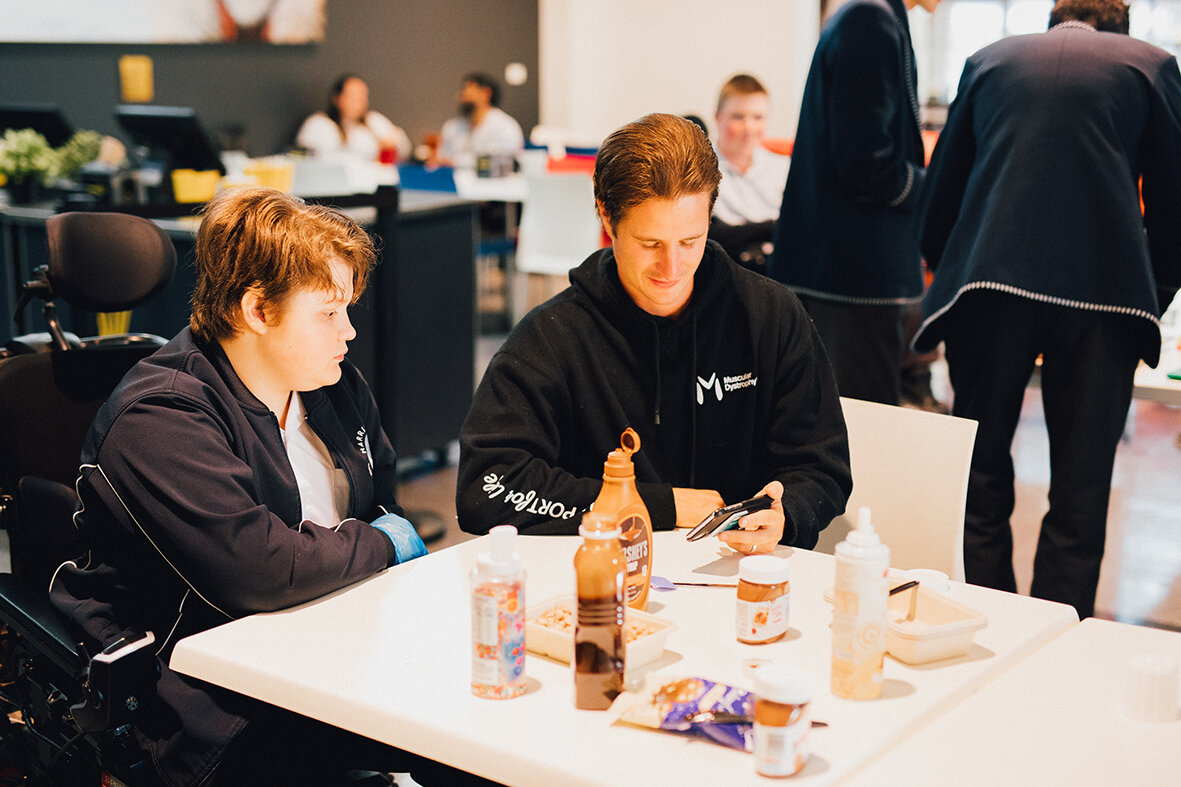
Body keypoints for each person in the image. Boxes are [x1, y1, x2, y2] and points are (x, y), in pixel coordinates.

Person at [47, 188, 453, 785]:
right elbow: (262, 569)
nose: (348, 332)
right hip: (206, 699)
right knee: (448, 737)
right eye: (328, 313)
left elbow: (377, 502)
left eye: (347, 309)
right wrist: (384, 544)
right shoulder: (160, 416)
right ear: (257, 310)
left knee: (480, 708)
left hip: (331, 647)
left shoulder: (332, 385)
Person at [456, 113, 851, 552]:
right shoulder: (551, 339)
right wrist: (655, 506)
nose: (672, 268)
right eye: (650, 244)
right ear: (607, 218)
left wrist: (787, 512)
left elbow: (821, 467)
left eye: (690, 241)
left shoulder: (770, 316)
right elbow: (485, 489)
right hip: (602, 578)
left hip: (741, 574)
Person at [914, 0, 1181, 618]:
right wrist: (1151, 297)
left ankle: (988, 623)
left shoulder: (989, 60)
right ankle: (1057, 634)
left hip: (989, 287)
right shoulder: (1149, 65)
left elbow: (939, 196)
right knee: (1080, 492)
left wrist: (953, 275)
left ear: (1053, 20)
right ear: (1121, 28)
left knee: (979, 480)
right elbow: (1174, 208)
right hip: (1103, 297)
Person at [768, 0, 941, 405]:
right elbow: (866, 160)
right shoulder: (870, 22)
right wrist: (931, 188)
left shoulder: (867, 15)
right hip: (854, 275)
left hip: (843, 270)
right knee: (862, 420)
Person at [707, 74, 790, 272]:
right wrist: (772, 227)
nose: (749, 128)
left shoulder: (783, 167)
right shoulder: (702, 171)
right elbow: (711, 236)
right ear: (718, 118)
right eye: (738, 117)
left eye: (758, 118)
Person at [296, 73, 412, 163]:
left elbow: (404, 149)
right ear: (337, 98)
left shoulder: (374, 121)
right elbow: (304, 157)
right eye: (352, 96)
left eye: (363, 96)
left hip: (372, 182)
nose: (358, 102)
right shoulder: (318, 124)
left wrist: (393, 141)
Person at [435, 72, 525, 168]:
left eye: (467, 89)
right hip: (452, 177)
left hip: (491, 178)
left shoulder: (505, 126)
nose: (462, 95)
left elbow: (503, 162)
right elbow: (441, 158)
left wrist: (457, 162)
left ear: (486, 93)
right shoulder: (452, 127)